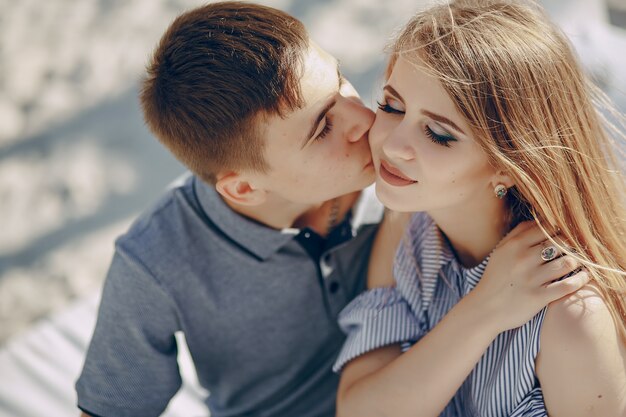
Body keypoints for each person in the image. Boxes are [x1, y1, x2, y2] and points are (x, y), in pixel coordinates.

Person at [75, 2, 587, 417]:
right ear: (244, 190)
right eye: (323, 128)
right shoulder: (155, 263)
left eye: (340, 83)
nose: (366, 120)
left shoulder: (401, 185)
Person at [334, 1, 626, 416]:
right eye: (392, 106)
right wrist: (486, 309)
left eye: (438, 134)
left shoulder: (571, 316)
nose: (393, 145)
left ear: (509, 166)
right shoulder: (407, 226)